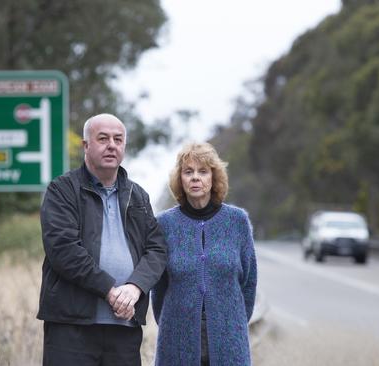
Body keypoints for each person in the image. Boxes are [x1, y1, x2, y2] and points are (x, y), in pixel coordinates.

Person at [37, 113, 167, 366]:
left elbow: (157, 249)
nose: (111, 145)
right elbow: (63, 249)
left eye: (118, 139)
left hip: (124, 326)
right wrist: (110, 291)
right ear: (86, 146)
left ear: (124, 147)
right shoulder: (62, 190)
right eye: (103, 138)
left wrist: (135, 287)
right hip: (71, 326)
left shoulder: (138, 195)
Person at [152, 142, 257, 366]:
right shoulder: (164, 224)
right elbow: (158, 287)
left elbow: (249, 282)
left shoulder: (237, 221)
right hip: (176, 336)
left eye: (203, 171)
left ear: (213, 177)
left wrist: (234, 322)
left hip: (229, 336)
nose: (195, 178)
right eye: (188, 172)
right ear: (180, 179)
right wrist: (172, 324)